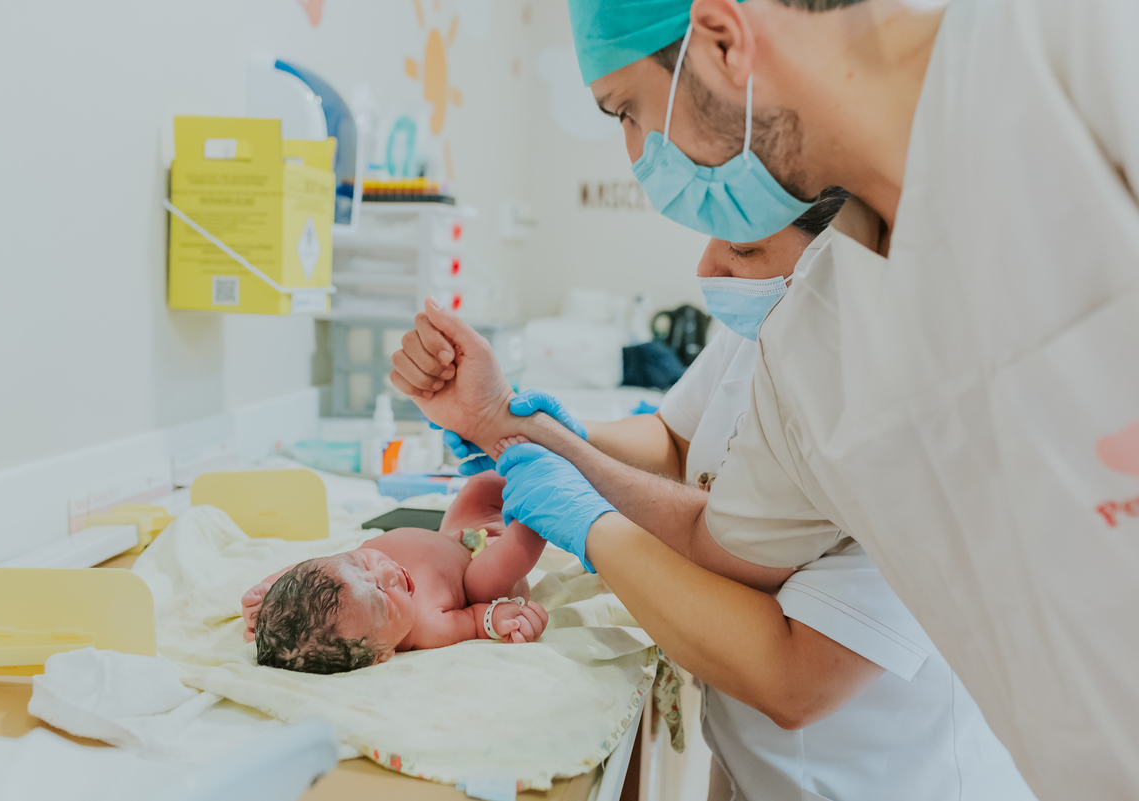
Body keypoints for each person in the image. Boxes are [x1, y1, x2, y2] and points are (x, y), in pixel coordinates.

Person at [398, 0, 1139, 795]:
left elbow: (795, 672)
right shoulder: (811, 332)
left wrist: (577, 497)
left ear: (721, 39)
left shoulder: (1077, 53)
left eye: (630, 112)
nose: (639, 155)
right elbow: (723, 542)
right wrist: (525, 439)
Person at [395, 221, 1036, 799]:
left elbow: (795, 679)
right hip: (757, 766)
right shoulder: (769, 325)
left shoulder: (900, 402)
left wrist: (586, 515)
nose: (708, 268)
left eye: (745, 247)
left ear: (836, 253)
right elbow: (677, 445)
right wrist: (513, 422)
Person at [241, 472, 548, 673]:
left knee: (480, 486)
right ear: (380, 655)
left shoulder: (332, 574)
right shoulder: (427, 627)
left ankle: (533, 470)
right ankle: (543, 506)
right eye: (383, 601)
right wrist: (501, 619)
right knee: (485, 580)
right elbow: (474, 621)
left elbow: (300, 573)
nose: (388, 573)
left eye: (362, 563)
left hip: (457, 533)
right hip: (482, 569)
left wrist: (268, 590)